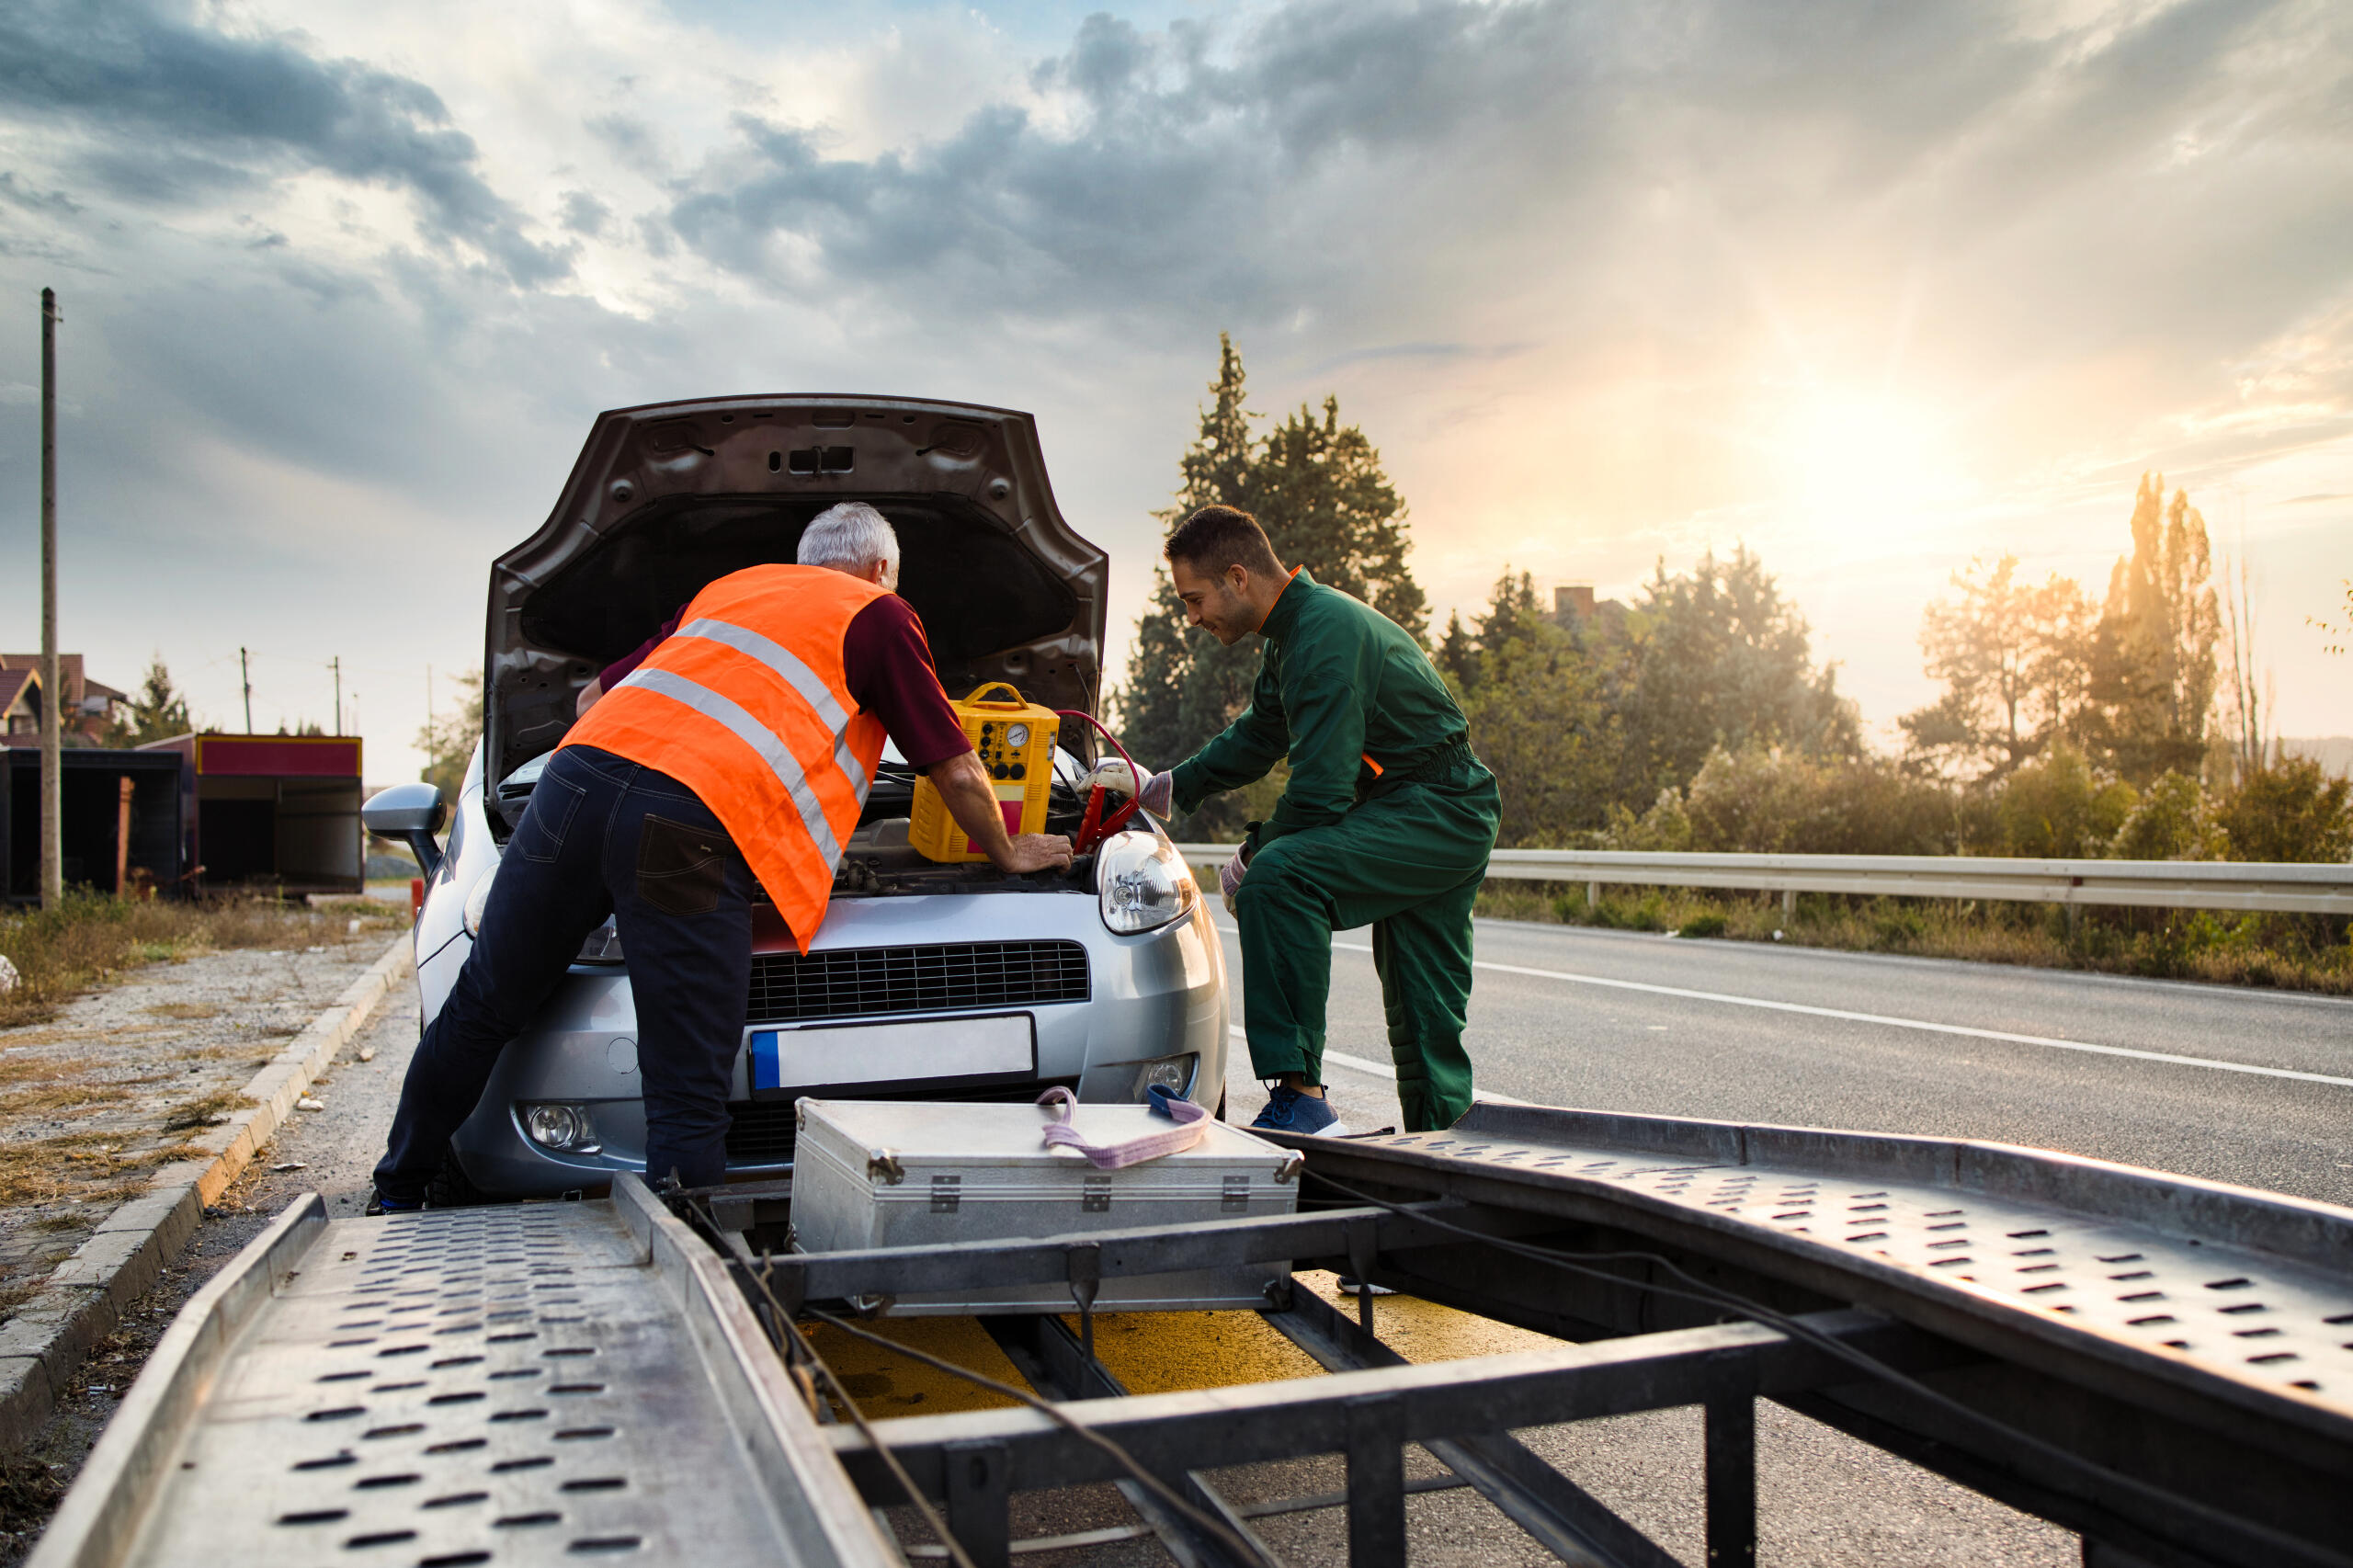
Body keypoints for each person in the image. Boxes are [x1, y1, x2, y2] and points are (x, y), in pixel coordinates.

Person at [369, 502, 1073, 1210]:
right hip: (685, 821)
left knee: (481, 1007)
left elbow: (590, 698)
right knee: (684, 1083)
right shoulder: (878, 613)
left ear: (803, 562)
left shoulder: (727, 593)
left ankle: (396, 1190)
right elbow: (953, 768)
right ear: (881, 570)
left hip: (572, 785)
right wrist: (1008, 851)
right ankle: (685, 1263)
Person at [1129, 506, 1500, 1135]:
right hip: (1429, 808)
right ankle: (1446, 1146)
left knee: (1281, 878)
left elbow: (1322, 793)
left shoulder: (1322, 635)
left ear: (1238, 577)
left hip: (1436, 808)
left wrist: (1254, 853)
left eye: (1194, 599)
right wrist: (1169, 788)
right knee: (1423, 1007)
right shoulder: (1295, 633)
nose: (1192, 618)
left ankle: (1301, 1097)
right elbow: (1259, 735)